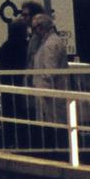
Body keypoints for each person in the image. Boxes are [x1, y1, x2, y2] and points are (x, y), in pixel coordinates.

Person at [27, 12, 69, 150]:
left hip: (51, 95)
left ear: (40, 27)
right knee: (56, 124)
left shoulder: (51, 44)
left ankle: (59, 151)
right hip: (50, 94)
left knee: (56, 124)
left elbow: (49, 70)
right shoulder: (48, 42)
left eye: (34, 29)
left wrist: (44, 91)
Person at [0, 14, 31, 147]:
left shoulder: (5, 47)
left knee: (8, 118)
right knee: (23, 118)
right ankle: (23, 144)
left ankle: (5, 144)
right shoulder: (25, 47)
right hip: (22, 86)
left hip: (6, 87)